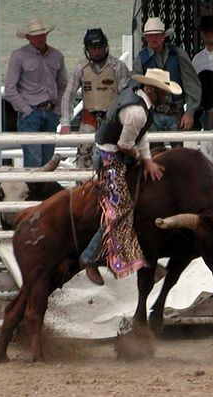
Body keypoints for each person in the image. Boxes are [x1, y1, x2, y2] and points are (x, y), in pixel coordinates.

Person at [79, 68, 182, 285]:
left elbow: (139, 135)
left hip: (112, 152)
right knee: (120, 209)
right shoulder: (137, 111)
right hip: (111, 156)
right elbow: (126, 144)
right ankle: (90, 257)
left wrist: (147, 160)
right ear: (152, 90)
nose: (166, 95)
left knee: (136, 202)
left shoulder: (138, 102)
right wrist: (142, 158)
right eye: (163, 91)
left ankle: (133, 256)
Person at [59, 28, 130, 168]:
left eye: (100, 47)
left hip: (111, 120)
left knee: (113, 159)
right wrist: (66, 122)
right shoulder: (81, 68)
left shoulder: (118, 67)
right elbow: (68, 95)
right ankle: (83, 188)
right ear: (87, 49)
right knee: (83, 158)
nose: (97, 51)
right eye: (93, 48)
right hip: (89, 121)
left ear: (105, 47)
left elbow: (126, 95)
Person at [4, 18, 68, 167]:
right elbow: (10, 89)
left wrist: (57, 110)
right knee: (34, 159)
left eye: (42, 34)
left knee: (47, 160)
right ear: (28, 38)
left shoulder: (57, 55)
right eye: (36, 35)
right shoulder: (18, 56)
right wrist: (27, 110)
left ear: (46, 35)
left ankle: (43, 190)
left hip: (50, 111)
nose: (40, 38)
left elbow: (63, 85)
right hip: (30, 113)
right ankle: (35, 189)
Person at [132, 17, 201, 144]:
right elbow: (134, 88)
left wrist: (190, 112)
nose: (154, 38)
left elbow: (191, 84)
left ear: (163, 36)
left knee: (178, 156)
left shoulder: (178, 54)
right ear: (146, 38)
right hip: (152, 114)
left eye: (157, 35)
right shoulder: (140, 59)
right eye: (150, 35)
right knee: (154, 155)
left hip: (176, 113)